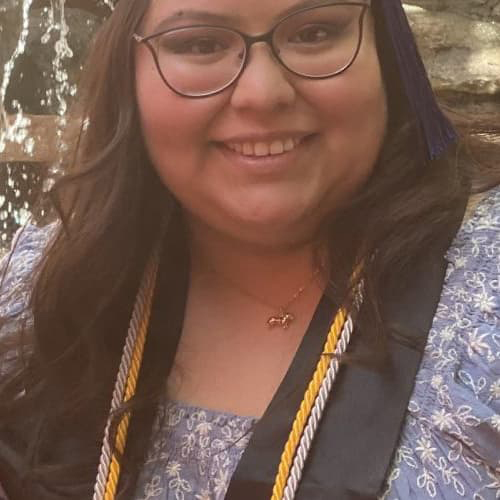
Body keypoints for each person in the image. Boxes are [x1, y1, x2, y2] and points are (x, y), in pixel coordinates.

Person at [0, 0, 498, 498]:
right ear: (126, 75)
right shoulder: (38, 291)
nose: (263, 94)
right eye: (199, 43)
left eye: (315, 33)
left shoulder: (486, 296)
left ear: (388, 55)